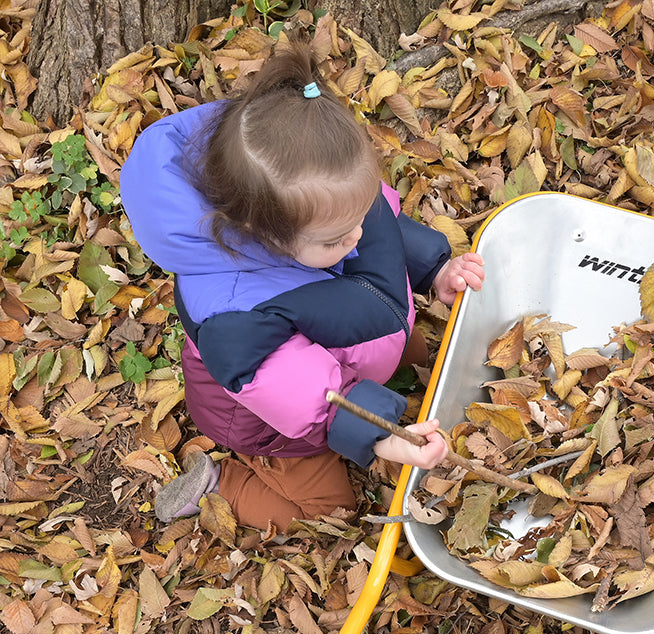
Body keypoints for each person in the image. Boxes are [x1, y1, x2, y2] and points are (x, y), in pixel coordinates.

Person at [119, 41, 484, 531]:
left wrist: (435, 267)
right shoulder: (236, 315)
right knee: (330, 509)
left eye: (359, 213)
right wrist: (379, 433)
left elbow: (381, 227)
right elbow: (312, 398)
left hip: (348, 337)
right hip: (270, 421)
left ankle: (385, 374)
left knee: (417, 352)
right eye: (338, 237)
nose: (356, 236)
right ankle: (219, 485)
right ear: (265, 236)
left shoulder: (323, 209)